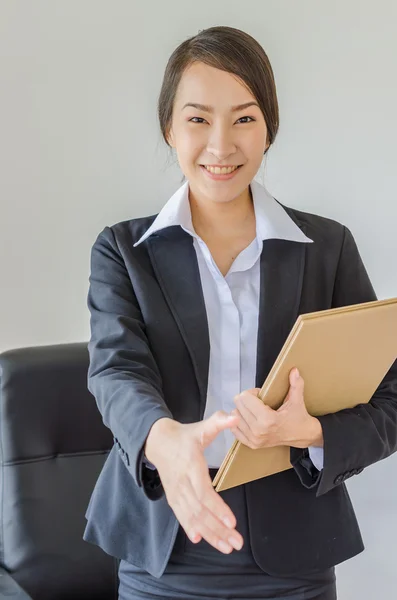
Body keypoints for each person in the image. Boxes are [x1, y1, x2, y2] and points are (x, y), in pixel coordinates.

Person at [83, 25, 397, 600]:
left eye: (244, 119)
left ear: (269, 128)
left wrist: (313, 432)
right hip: (165, 547)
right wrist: (161, 437)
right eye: (198, 119)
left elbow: (391, 396)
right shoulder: (123, 252)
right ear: (169, 128)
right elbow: (115, 372)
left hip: (295, 555)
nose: (221, 146)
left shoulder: (327, 250)